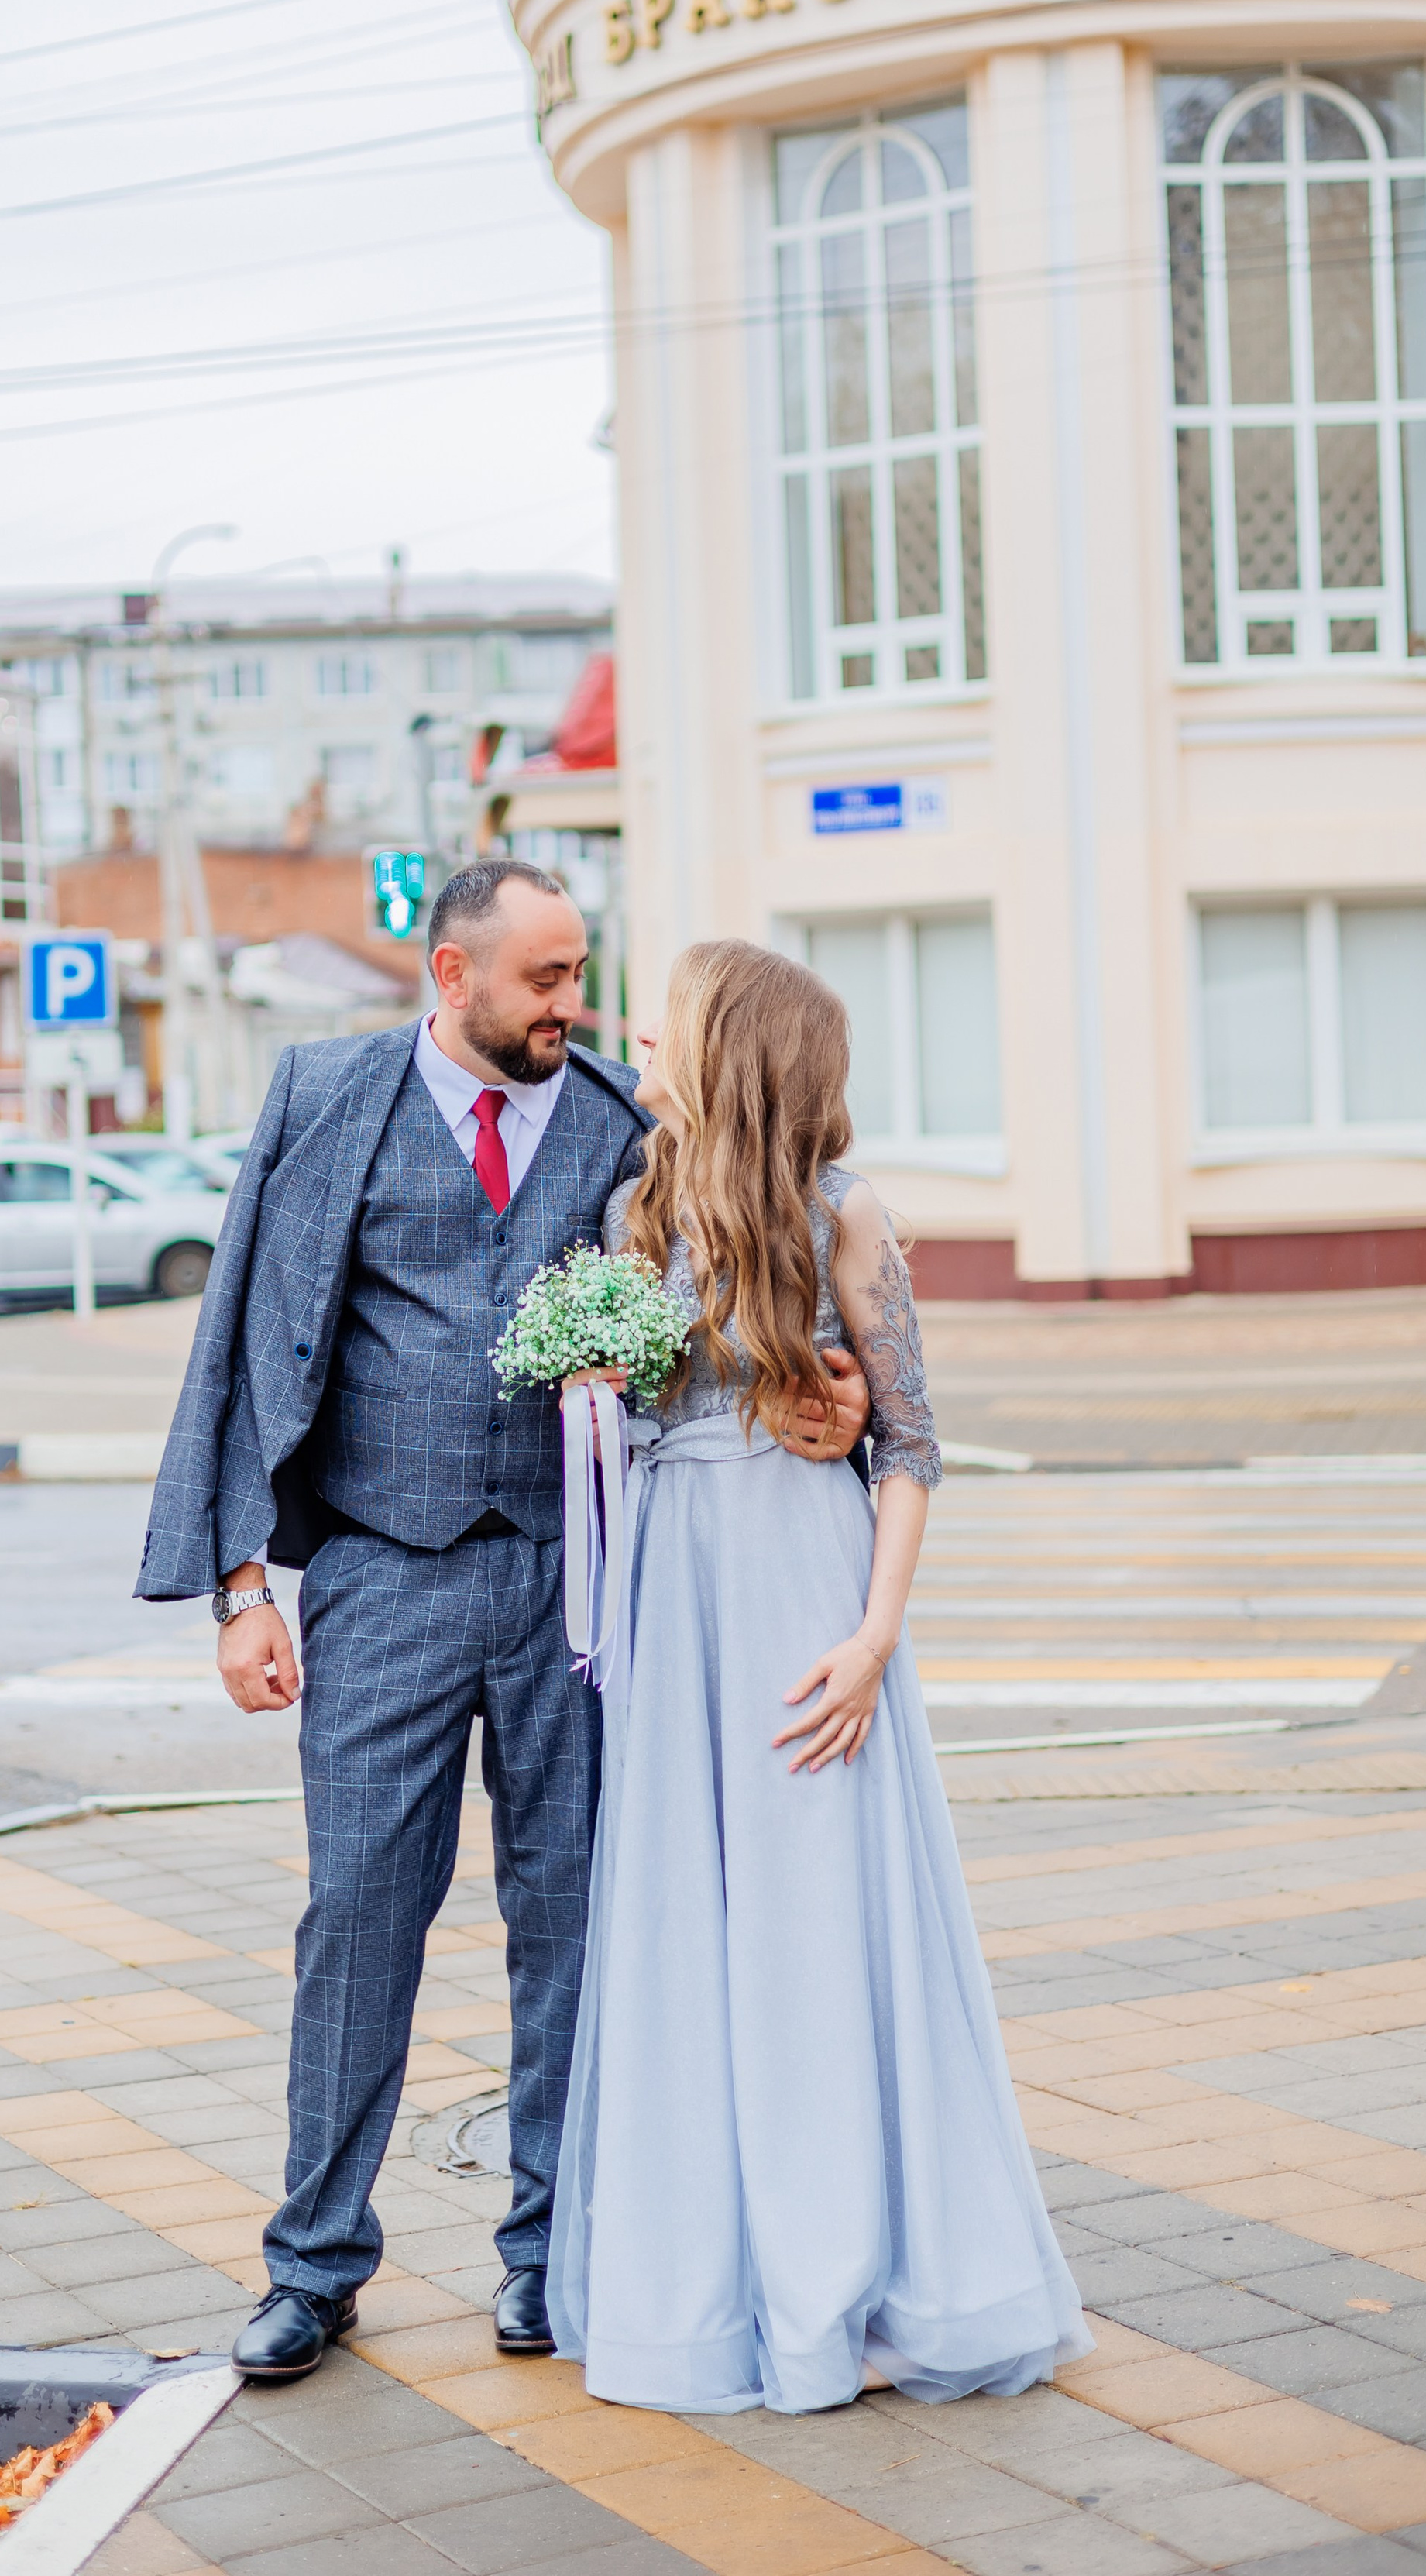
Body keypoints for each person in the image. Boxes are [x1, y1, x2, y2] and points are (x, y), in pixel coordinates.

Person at [137, 863, 872, 2384]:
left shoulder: (622, 1117)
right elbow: (236, 1347)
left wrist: (831, 1391)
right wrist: (234, 1589)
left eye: (579, 971)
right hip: (380, 1579)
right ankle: (313, 2264)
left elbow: (747, 1267)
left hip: (585, 1592)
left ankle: (551, 2248)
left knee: (572, 1924)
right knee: (355, 1923)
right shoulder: (319, 1097)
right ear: (448, 971)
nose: (570, 1004)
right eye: (541, 978)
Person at [547, 939, 1089, 2416]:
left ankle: (845, 2273)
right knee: (689, 1923)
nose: (634, 1039)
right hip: (675, 1597)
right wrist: (600, 1393)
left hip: (802, 1596)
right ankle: (711, 2279)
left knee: (810, 1924)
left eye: (663, 1024)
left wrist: (873, 1638)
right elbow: (640, 1412)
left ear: (731, 1053)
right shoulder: (634, 1209)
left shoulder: (849, 1220)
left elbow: (912, 1446)